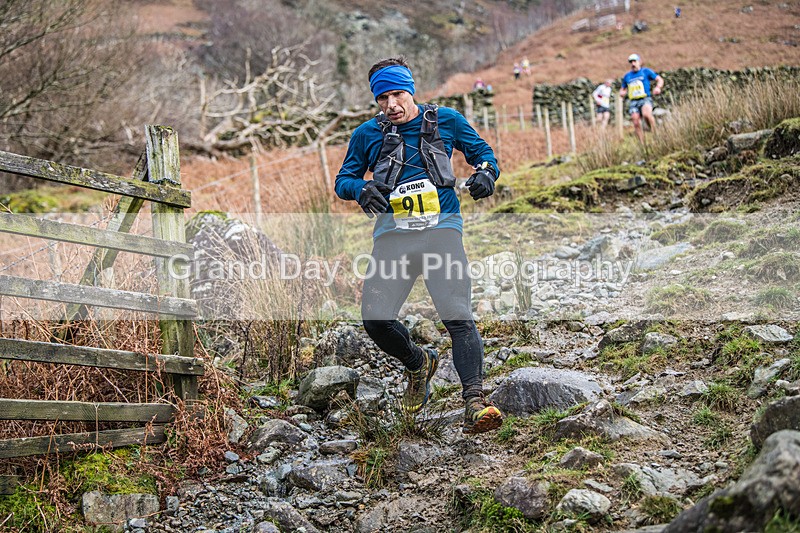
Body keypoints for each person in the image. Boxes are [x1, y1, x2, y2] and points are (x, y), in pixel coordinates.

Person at [334, 57, 504, 435]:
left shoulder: (447, 120)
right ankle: (418, 362)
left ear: (410, 90)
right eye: (382, 98)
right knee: (375, 321)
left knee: (457, 315)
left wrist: (486, 174)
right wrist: (360, 188)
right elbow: (342, 180)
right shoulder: (366, 134)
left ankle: (475, 401)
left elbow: (484, 154)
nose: (391, 104)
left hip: (442, 229)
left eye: (396, 94)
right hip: (392, 237)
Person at [620, 53, 664, 142]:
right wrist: (622, 92)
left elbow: (659, 79)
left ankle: (655, 134)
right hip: (633, 101)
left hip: (645, 98)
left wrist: (658, 87)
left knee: (646, 115)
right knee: (635, 122)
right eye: (631, 62)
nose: (633, 64)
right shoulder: (627, 76)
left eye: (634, 61)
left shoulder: (646, 72)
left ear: (639, 62)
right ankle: (642, 143)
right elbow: (623, 88)